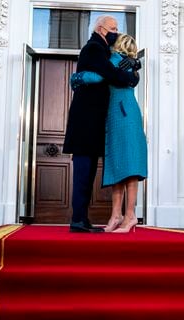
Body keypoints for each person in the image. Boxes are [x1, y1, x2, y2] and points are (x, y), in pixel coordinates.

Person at [63, 16, 140, 233]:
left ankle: (82, 220)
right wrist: (130, 74)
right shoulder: (94, 48)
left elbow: (113, 65)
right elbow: (109, 73)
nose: (116, 31)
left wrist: (135, 64)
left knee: (87, 175)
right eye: (113, 28)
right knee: (83, 175)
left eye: (117, 28)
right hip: (85, 122)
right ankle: (78, 220)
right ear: (100, 28)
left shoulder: (103, 49)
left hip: (93, 123)